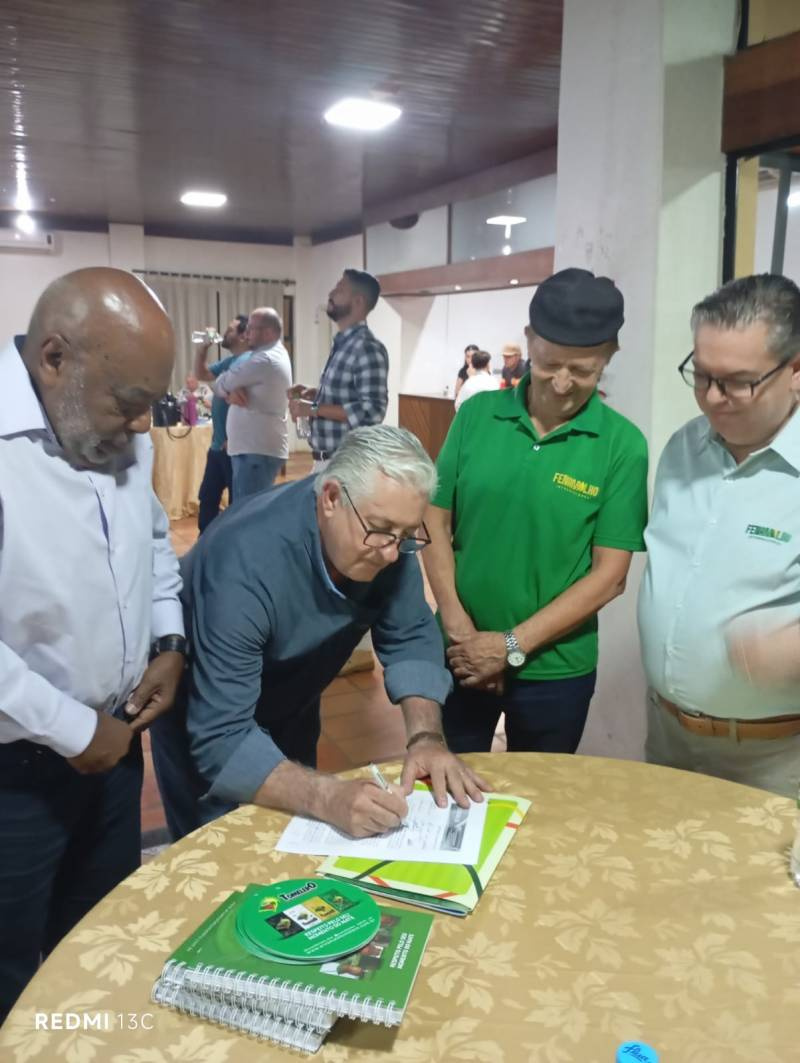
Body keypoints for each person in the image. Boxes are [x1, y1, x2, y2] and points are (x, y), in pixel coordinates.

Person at [150, 425, 490, 841]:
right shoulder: (243, 563)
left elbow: (411, 637)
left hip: (292, 700)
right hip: (207, 713)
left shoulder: (385, 534)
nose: (391, 553)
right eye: (381, 530)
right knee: (216, 846)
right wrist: (329, 797)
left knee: (296, 834)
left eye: (405, 536)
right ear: (330, 498)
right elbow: (221, 739)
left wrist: (426, 738)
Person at [0, 267, 185, 1022]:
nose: (142, 428)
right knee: (14, 971)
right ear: (55, 358)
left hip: (115, 750)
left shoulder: (115, 430)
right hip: (16, 778)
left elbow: (152, 538)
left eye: (151, 405)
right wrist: (75, 729)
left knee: (101, 939)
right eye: (129, 402)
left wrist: (168, 636)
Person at [423, 268, 648, 754]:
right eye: (548, 364)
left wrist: (508, 646)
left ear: (610, 355)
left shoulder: (622, 445)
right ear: (528, 340)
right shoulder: (477, 415)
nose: (562, 384)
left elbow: (610, 576)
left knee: (540, 793)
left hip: (556, 669)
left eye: (583, 371)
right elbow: (435, 519)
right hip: (459, 651)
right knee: (447, 783)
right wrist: (460, 629)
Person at [638, 273, 800, 798]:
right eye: (702, 375)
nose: (711, 398)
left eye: (736, 382)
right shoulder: (682, 448)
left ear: (796, 371)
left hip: (774, 758)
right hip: (666, 734)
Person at [288, 269, 388, 468]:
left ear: (358, 302)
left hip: (346, 465)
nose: (331, 293)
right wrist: (316, 395)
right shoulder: (343, 345)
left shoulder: (367, 348)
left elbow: (372, 411)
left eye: (340, 289)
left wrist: (313, 408)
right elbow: (348, 397)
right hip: (325, 461)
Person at [213, 306, 292, 499]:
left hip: (256, 452)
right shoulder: (267, 355)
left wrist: (227, 390)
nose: (246, 334)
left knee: (248, 511)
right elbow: (222, 384)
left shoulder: (265, 359)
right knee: (248, 508)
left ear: (268, 332)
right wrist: (229, 391)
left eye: (251, 329)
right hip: (254, 450)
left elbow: (222, 382)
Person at [192, 314, 250, 532]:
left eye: (230, 329)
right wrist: (202, 349)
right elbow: (201, 373)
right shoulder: (231, 361)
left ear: (244, 335)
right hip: (218, 446)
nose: (224, 333)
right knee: (208, 497)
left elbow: (251, 404)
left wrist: (236, 437)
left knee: (237, 504)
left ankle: (229, 545)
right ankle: (205, 543)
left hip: (234, 449)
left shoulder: (249, 362)